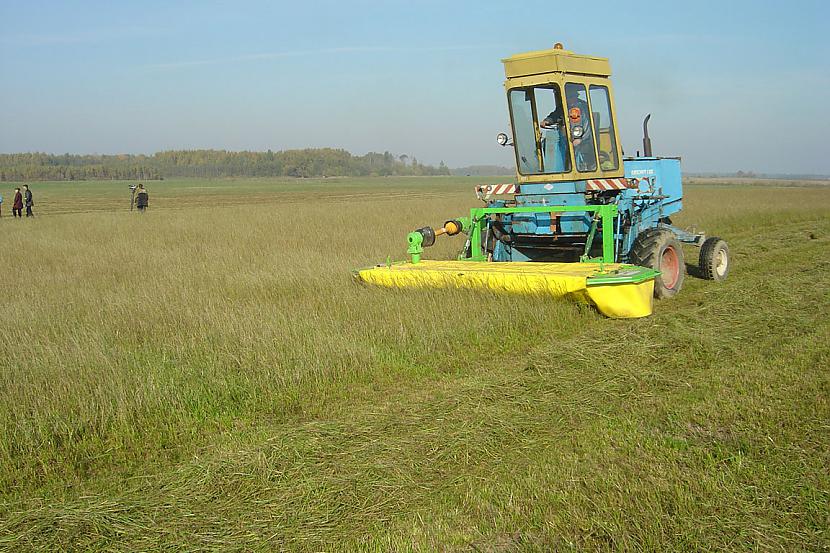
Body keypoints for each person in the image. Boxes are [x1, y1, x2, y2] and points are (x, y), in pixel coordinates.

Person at [540, 88, 596, 171]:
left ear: (576, 97)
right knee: (546, 142)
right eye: (568, 97)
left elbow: (588, 126)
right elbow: (555, 115)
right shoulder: (564, 107)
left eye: (572, 97)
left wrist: (581, 139)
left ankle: (578, 168)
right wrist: (547, 120)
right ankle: (558, 170)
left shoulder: (583, 107)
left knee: (575, 147)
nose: (570, 99)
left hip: (583, 140)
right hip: (566, 137)